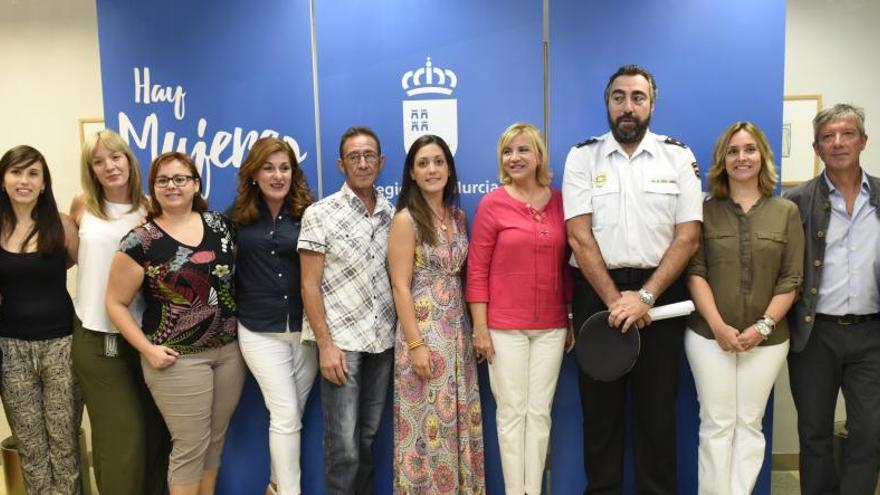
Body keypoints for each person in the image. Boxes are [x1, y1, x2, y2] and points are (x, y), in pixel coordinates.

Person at [561, 64, 703, 494]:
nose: (628, 106)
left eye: (637, 98)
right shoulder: (582, 156)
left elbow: (688, 236)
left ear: (651, 104)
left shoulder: (678, 156)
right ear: (607, 103)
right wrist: (616, 301)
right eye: (619, 97)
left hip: (658, 295)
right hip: (596, 294)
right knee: (600, 417)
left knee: (657, 416)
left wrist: (643, 297)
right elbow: (579, 237)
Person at [105, 151, 245, 495]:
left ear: (196, 184)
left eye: (180, 178)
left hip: (228, 354)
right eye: (163, 180)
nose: (172, 186)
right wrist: (147, 349)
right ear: (153, 188)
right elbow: (115, 302)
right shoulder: (140, 241)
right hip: (176, 360)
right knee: (189, 446)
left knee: (214, 442)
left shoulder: (220, 225)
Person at [685, 122, 804, 494]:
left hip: (767, 341)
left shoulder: (786, 211)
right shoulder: (704, 210)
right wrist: (718, 326)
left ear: (763, 156)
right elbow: (695, 271)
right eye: (733, 151)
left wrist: (763, 327)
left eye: (750, 149)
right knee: (717, 423)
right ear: (722, 160)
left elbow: (792, 280)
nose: (742, 158)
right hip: (708, 337)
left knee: (749, 423)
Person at [467, 123, 573, 495]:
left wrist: (570, 317)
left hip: (552, 326)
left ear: (539, 155)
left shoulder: (561, 201)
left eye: (523, 150)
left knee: (539, 413)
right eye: (508, 151)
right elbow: (477, 269)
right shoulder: (492, 203)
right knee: (512, 414)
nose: (515, 158)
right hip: (503, 327)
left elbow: (568, 267)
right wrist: (480, 328)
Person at [784, 103, 880, 494]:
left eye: (847, 134)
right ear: (816, 148)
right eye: (828, 137)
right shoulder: (796, 202)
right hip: (814, 335)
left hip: (871, 335)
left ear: (863, 140)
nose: (838, 143)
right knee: (815, 434)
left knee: (869, 432)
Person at [70, 129, 170, 495]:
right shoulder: (83, 206)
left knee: (155, 434)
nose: (109, 166)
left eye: (115, 157)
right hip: (98, 338)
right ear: (91, 170)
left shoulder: (150, 208)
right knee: (121, 438)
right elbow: (63, 256)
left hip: (147, 337)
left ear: (129, 160)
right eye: (98, 161)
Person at [298, 127, 396, 494]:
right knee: (344, 449)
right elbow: (309, 284)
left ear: (381, 161)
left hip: (383, 341)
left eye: (369, 155)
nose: (363, 162)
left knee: (367, 440)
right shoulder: (320, 213)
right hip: (341, 344)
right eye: (354, 157)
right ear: (341, 164)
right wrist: (325, 344)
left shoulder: (392, 214)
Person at [389, 134, 484, 493]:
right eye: (423, 163)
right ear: (412, 173)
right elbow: (400, 285)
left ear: (449, 168)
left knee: (457, 422)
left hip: (457, 333)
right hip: (424, 335)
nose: (432, 169)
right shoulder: (405, 220)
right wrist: (415, 344)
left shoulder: (458, 217)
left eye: (439, 161)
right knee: (428, 428)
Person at [230, 136, 317, 495]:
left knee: (290, 418)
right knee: (284, 414)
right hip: (258, 329)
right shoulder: (234, 219)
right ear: (254, 173)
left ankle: (275, 485)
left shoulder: (310, 214)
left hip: (305, 330)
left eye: (284, 168)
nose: (277, 175)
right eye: (268, 167)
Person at [0, 145, 81, 494]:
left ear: (44, 183)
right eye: (17, 172)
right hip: (11, 349)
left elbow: (88, 270)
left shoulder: (62, 225)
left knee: (64, 445)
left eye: (33, 173)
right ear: (3, 180)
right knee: (31, 448)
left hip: (61, 345)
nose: (24, 180)